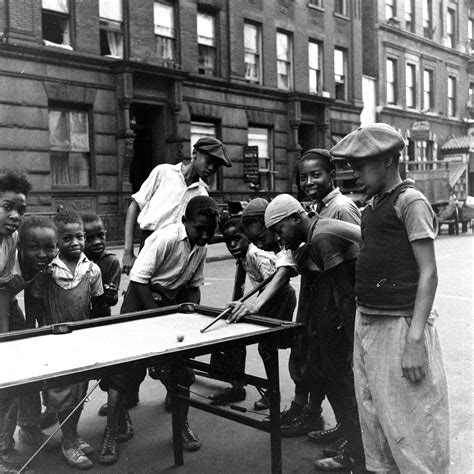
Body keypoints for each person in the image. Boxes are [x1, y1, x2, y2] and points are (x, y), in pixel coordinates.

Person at [329, 123, 450, 473]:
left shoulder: (409, 202)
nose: (355, 175)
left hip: (399, 326)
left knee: (413, 425)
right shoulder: (371, 206)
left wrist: (414, 341)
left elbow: (429, 272)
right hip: (367, 321)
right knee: (376, 419)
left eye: (362, 165)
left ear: (388, 160)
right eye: (351, 166)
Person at [97, 196, 220, 466]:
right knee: (124, 370)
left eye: (211, 230)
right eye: (200, 228)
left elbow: (193, 287)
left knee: (181, 369)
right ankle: (112, 431)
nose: (206, 235)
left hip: (169, 300)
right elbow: (139, 280)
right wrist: (158, 316)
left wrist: (189, 318)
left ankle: (182, 426)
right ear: (185, 221)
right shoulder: (165, 238)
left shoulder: (200, 246)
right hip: (141, 299)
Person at [264, 194, 365, 472]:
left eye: (279, 229)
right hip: (347, 304)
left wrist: (355, 341)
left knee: (347, 379)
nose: (279, 239)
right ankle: (352, 440)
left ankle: (356, 452)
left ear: (296, 218)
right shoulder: (312, 234)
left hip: (365, 302)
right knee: (333, 374)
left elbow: (344, 294)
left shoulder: (320, 236)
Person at [30, 210, 104, 470]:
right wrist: (38, 335)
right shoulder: (48, 270)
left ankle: (72, 434)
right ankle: (68, 441)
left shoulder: (92, 269)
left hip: (81, 340)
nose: (76, 242)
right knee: (61, 393)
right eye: (67, 238)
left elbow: (97, 306)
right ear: (57, 241)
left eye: (80, 236)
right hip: (54, 341)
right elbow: (36, 303)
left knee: (79, 390)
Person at [297, 149, 361, 445]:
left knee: (343, 375)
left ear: (332, 176)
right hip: (324, 302)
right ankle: (344, 428)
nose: (309, 182)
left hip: (340, 304)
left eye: (316, 175)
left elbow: (356, 262)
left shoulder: (342, 208)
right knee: (330, 371)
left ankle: (354, 438)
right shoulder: (320, 207)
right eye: (303, 177)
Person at [213, 210, 297, 409]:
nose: (232, 244)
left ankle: (273, 393)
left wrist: (254, 308)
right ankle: (242, 384)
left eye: (236, 239)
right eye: (228, 241)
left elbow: (277, 285)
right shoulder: (242, 256)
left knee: (268, 346)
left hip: (280, 297)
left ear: (247, 238)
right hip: (269, 297)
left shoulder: (256, 255)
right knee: (257, 343)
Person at [122, 137, 231, 274]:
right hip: (149, 244)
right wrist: (128, 252)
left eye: (216, 166)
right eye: (209, 161)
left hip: (178, 252)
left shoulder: (202, 194)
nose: (211, 168)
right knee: (140, 289)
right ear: (195, 153)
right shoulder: (163, 172)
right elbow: (134, 206)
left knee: (170, 293)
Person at [16, 216, 61, 455]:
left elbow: (34, 303)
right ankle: (11, 440)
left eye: (48, 248)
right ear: (19, 247)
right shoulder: (10, 268)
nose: (42, 254)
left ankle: (31, 425)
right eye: (34, 248)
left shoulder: (43, 268)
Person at [0, 171, 32, 472]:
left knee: (17, 375)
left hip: (6, 307)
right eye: (7, 206)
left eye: (20, 210)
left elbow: (13, 282)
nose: (15, 215)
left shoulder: (13, 238)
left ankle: (14, 437)